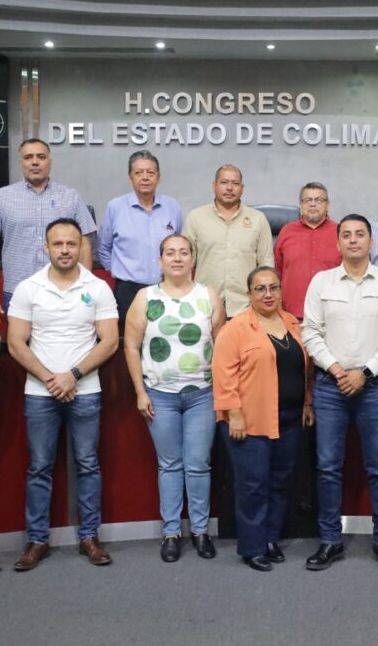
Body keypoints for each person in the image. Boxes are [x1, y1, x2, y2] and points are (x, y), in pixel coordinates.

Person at [6, 218, 119, 571]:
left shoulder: (98, 287)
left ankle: (89, 538)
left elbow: (110, 340)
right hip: (39, 393)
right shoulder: (28, 288)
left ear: (80, 247)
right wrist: (49, 379)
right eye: (58, 244)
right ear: (46, 247)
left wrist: (72, 376)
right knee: (39, 467)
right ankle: (37, 541)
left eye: (71, 243)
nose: (65, 250)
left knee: (88, 464)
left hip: (85, 390)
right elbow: (15, 342)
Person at [302, 214, 378, 573]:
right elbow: (311, 332)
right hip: (330, 388)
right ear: (338, 243)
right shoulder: (321, 282)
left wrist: (364, 373)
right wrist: (336, 370)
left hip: (374, 387)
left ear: (370, 241)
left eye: (360, 234)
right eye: (345, 235)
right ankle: (330, 541)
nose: (353, 240)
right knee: (328, 468)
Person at [123, 233, 224, 562]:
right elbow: (131, 345)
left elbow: (222, 348)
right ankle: (170, 533)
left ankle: (199, 531)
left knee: (198, 466)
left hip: (202, 396)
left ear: (193, 260)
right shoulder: (145, 297)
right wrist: (140, 392)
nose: (177, 258)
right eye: (170, 253)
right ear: (160, 261)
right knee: (169, 466)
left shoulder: (208, 295)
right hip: (159, 396)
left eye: (184, 253)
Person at [213, 266, 314, 571]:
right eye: (260, 289)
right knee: (253, 484)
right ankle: (252, 546)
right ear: (249, 294)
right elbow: (223, 373)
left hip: (289, 418)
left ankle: (269, 539)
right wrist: (233, 413)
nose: (268, 294)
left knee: (280, 482)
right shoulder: (236, 328)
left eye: (273, 288)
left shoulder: (291, 323)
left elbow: (304, 369)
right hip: (249, 419)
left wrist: (307, 403)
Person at [0, 138, 97, 320]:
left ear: (50, 162)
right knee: (19, 345)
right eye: (28, 157)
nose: (34, 162)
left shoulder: (70, 196)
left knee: (64, 342)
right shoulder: (1, 197)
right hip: (17, 290)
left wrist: (85, 286)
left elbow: (85, 244)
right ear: (21, 163)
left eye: (41, 156)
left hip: (64, 289)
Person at [98, 150, 183, 334]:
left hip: (166, 288)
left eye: (150, 173)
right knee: (128, 344)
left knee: (164, 339)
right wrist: (117, 271)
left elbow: (180, 246)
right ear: (130, 177)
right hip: (128, 291)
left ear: (158, 177)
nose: (145, 177)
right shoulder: (116, 207)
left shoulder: (172, 206)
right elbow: (104, 248)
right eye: (139, 173)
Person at [185, 164, 273, 317]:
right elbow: (185, 264)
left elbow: (266, 265)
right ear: (214, 186)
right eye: (224, 183)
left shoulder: (257, 219)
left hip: (245, 308)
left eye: (235, 183)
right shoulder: (196, 217)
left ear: (242, 188)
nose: (230, 188)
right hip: (203, 306)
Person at [274, 182, 341, 319]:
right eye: (307, 200)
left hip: (332, 315)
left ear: (327, 205)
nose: (312, 204)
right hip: (292, 316)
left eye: (318, 200)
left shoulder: (341, 232)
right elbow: (277, 272)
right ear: (300, 205)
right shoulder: (287, 231)